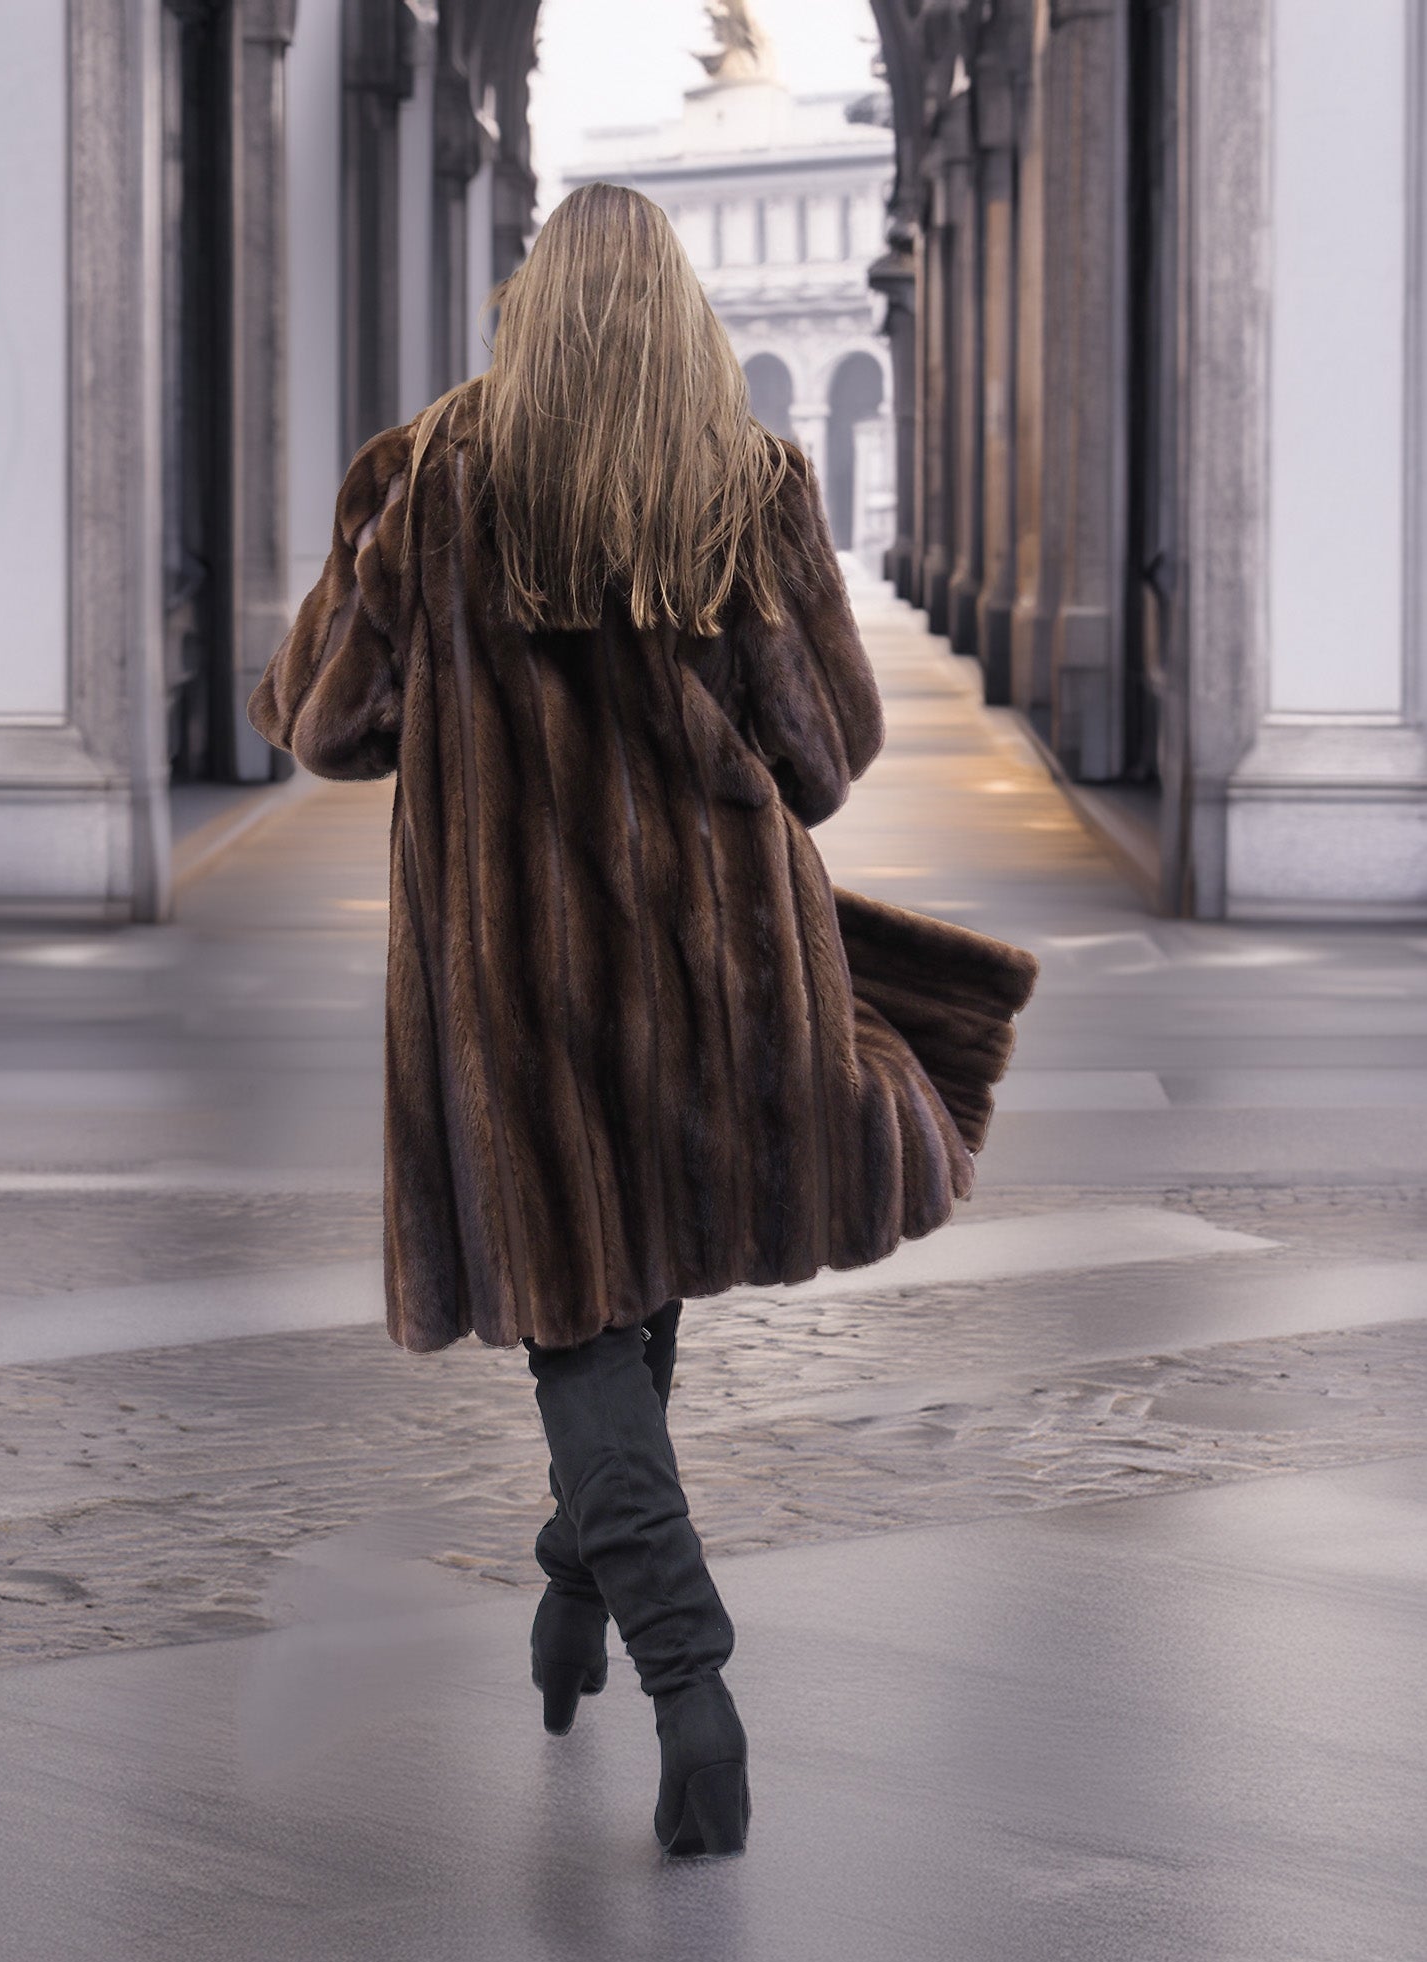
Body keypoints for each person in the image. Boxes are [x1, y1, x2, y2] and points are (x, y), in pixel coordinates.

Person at [247, 182, 1036, 1860]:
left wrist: (405, 647)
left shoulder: (427, 478)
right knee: (632, 1286)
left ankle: (692, 1690)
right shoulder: (746, 485)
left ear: (525, 309)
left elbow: (323, 722)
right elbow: (825, 760)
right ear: (687, 314)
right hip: (716, 972)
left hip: (513, 996)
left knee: (584, 1317)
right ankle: (572, 1594)